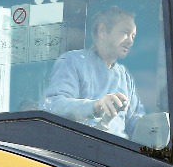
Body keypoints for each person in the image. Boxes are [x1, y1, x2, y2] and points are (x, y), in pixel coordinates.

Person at [43, 7, 144, 136]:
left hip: (117, 147)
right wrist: (95, 106)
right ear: (102, 31)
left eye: (133, 36)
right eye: (125, 32)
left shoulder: (125, 76)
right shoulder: (73, 61)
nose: (130, 41)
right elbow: (52, 106)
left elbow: (136, 121)